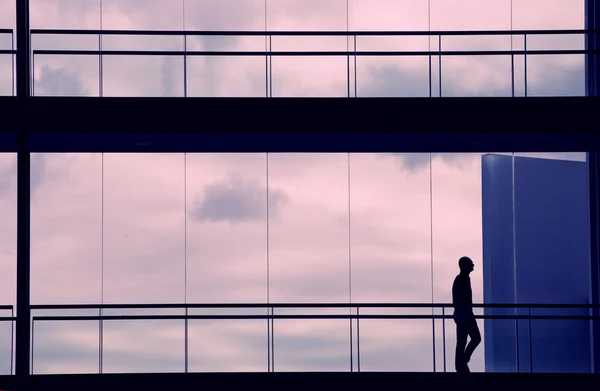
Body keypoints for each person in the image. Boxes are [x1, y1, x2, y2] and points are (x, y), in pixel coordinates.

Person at [452, 256, 481, 373]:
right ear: (464, 266)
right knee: (474, 338)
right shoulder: (462, 280)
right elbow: (461, 299)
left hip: (462, 314)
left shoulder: (462, 279)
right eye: (471, 264)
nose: (473, 266)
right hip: (465, 314)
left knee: (462, 341)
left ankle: (460, 363)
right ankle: (462, 362)